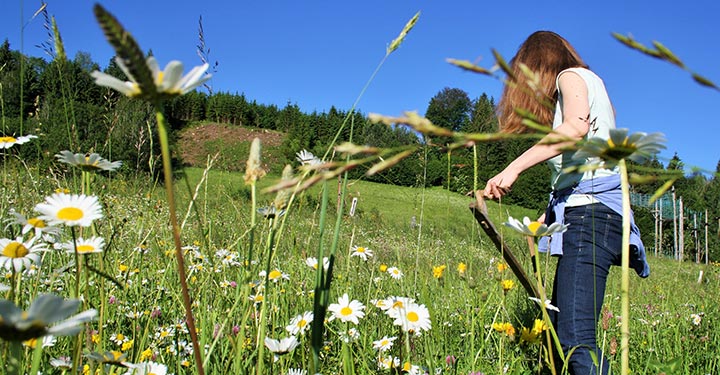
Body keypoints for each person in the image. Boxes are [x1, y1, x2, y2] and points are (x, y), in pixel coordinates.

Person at [481, 31, 649, 375]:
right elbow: (587, 162)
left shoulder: (572, 76)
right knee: (560, 341)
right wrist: (550, 215)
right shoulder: (586, 88)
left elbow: (575, 128)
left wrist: (512, 169)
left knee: (574, 341)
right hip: (589, 215)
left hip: (592, 217)